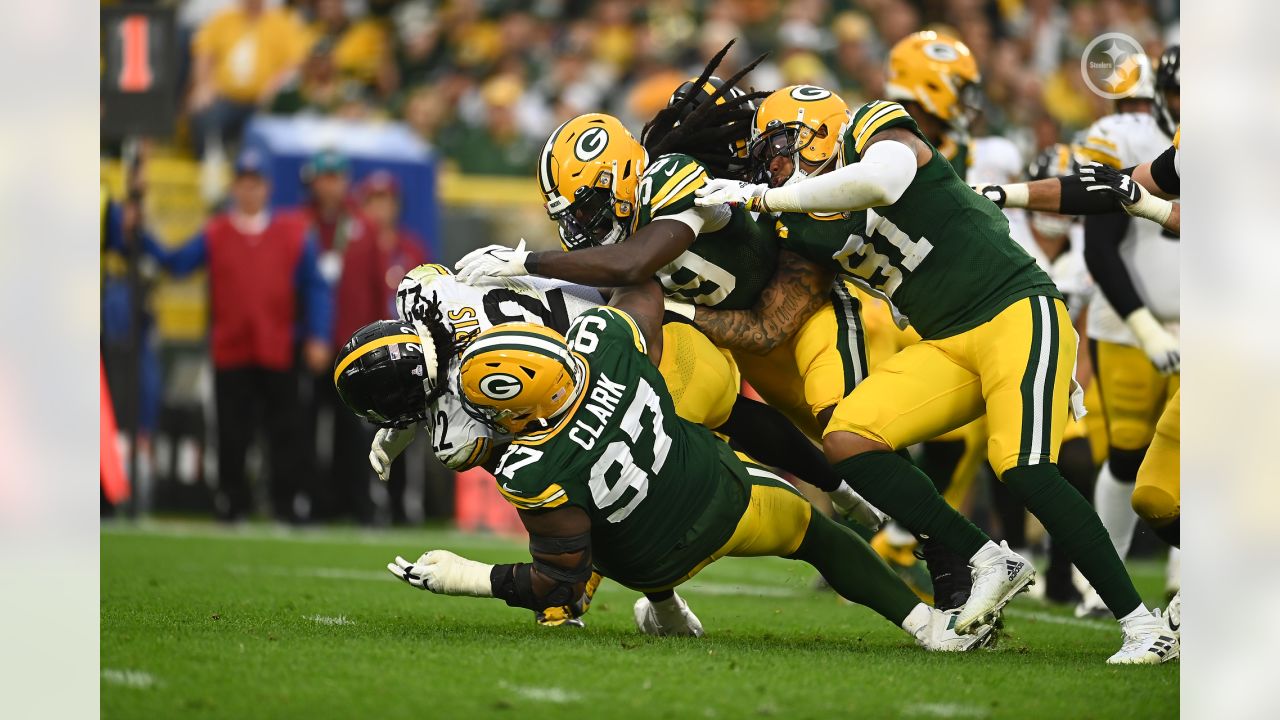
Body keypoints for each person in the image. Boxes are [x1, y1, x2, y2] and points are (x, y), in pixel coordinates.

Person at [692, 81, 1176, 663]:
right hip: (947, 340)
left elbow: (883, 181)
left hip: (1013, 308)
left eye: (780, 145)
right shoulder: (799, 220)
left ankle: (1144, 625)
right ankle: (987, 557)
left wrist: (760, 200)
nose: (772, 163)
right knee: (849, 437)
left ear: (816, 132)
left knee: (1021, 466)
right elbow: (775, 307)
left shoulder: (875, 127)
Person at [379, 279, 992, 650]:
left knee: (593, 536)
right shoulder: (604, 343)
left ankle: (663, 604)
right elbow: (642, 291)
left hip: (649, 558)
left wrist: (468, 576)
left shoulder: (529, 467)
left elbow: (558, 579)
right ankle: (927, 627)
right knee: (818, 537)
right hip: (724, 500)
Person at [452, 46, 883, 523]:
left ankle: (933, 541)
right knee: (728, 412)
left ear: (622, 180)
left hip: (802, 307)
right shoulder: (613, 240)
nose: (581, 227)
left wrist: (527, 261)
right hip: (742, 332)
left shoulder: (669, 178)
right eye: (569, 216)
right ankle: (837, 489)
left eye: (587, 210)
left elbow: (635, 260)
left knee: (852, 428)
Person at [140, 150, 331, 521]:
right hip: (232, 349)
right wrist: (140, 233)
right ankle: (231, 500)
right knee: (231, 432)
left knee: (285, 432)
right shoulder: (217, 233)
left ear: (267, 188)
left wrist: (317, 335)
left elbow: (315, 286)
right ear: (235, 188)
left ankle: (286, 502)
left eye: (255, 183)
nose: (249, 191)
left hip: (277, 346)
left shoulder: (292, 233)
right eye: (243, 183)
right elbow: (176, 262)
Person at [188, 0, 309, 157]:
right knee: (202, 111)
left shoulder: (282, 23)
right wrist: (203, 85)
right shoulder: (222, 19)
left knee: (275, 122)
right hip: (224, 97)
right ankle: (208, 165)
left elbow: (294, 64)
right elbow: (204, 52)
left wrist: (273, 88)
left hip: (264, 101)